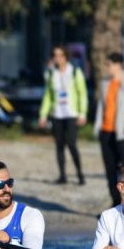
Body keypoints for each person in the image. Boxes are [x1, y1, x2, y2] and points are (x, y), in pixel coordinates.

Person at [93, 53, 124, 206]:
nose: (107, 68)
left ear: (118, 65)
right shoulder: (105, 83)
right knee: (110, 171)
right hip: (106, 131)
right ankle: (115, 204)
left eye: (109, 65)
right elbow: (102, 106)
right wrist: (98, 126)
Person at [39, 44, 88, 185]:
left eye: (61, 55)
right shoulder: (50, 73)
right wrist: (43, 114)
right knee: (59, 145)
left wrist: (82, 113)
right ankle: (62, 175)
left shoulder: (74, 72)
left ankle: (80, 174)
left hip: (71, 113)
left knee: (72, 144)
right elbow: (48, 95)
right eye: (55, 55)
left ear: (66, 57)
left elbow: (82, 93)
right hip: (57, 114)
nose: (58, 58)